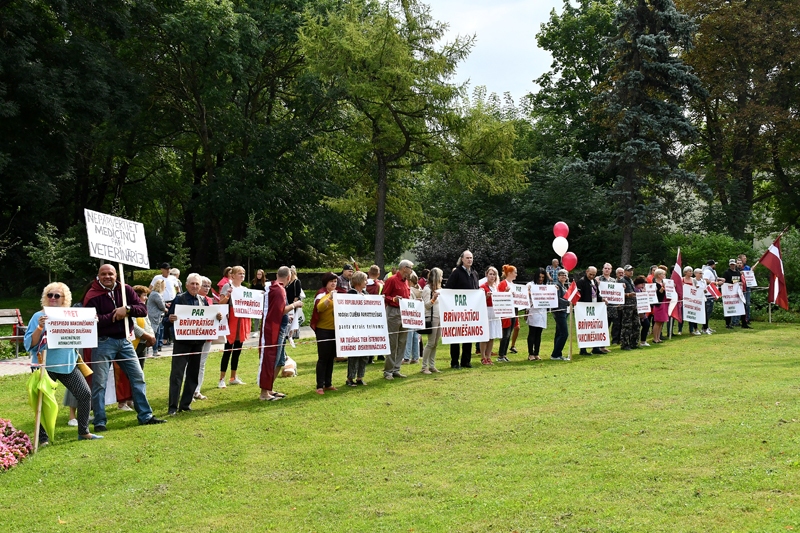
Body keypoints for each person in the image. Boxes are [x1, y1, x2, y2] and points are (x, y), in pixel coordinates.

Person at [84, 264, 166, 431]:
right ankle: (100, 421)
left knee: (138, 377)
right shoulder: (92, 295)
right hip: (103, 342)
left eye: (110, 274)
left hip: (125, 341)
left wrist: (127, 309)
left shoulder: (126, 290)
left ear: (116, 275)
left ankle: (145, 415)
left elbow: (142, 309)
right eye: (103, 274)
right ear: (98, 276)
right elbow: (91, 320)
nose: (107, 276)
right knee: (99, 383)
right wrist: (116, 315)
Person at [25, 283, 102, 442]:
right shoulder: (38, 316)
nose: (53, 298)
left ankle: (83, 432)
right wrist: (40, 327)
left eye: (57, 296)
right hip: (44, 365)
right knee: (43, 401)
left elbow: (82, 334)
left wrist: (90, 322)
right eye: (49, 295)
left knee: (84, 394)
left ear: (64, 299)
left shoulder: (72, 315)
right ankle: (43, 438)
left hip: (67, 364)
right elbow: (30, 345)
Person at [167, 273, 223, 415]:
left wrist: (217, 317)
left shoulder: (202, 300)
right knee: (177, 375)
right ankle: (173, 407)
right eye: (192, 283)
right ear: (186, 285)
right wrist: (170, 319)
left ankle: (185, 404)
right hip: (182, 343)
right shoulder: (179, 299)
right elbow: (166, 321)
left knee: (193, 374)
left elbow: (208, 319)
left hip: (198, 343)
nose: (195, 286)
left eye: (197, 284)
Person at [258, 266, 301, 401]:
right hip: (274, 330)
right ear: (289, 277)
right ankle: (264, 393)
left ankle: (269, 389)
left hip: (279, 328)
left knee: (280, 360)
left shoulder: (274, 287)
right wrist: (295, 305)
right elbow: (280, 310)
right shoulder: (279, 290)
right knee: (271, 360)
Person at [445, 250, 479, 369]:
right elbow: (448, 289)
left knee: (468, 335)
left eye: (471, 258)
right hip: (457, 310)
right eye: (467, 258)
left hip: (470, 311)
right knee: (456, 336)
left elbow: (476, 290)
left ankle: (466, 361)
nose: (470, 260)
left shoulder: (474, 273)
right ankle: (455, 362)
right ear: (462, 259)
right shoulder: (457, 273)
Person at [218, 266, 250, 388]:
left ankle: (233, 377)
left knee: (237, 351)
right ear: (233, 275)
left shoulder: (245, 289)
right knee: (227, 351)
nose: (242, 276)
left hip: (241, 322)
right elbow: (221, 303)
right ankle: (221, 379)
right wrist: (227, 295)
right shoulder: (228, 286)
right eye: (239, 273)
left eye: (243, 273)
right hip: (231, 321)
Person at [383, 259, 413, 380]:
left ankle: (396, 368)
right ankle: (388, 371)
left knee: (402, 342)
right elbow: (384, 295)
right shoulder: (392, 280)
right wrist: (393, 299)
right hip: (393, 312)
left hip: (404, 313)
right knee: (392, 342)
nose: (411, 270)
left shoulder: (406, 281)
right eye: (410, 267)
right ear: (404, 268)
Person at [311, 272, 339, 394]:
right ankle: (319, 386)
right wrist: (330, 298)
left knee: (331, 358)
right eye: (331, 281)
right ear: (326, 283)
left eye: (335, 281)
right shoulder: (321, 294)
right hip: (323, 330)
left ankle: (328, 383)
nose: (334, 283)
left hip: (335, 330)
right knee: (323, 359)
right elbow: (320, 307)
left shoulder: (338, 294)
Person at [345, 271, 370, 386]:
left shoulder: (366, 293)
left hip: (365, 328)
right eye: (365, 280)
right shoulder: (350, 294)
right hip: (354, 328)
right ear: (359, 281)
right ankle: (350, 378)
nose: (366, 282)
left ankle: (360, 377)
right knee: (354, 355)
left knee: (364, 354)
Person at [576, 266, 608, 355]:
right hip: (584, 308)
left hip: (595, 308)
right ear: (586, 272)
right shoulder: (581, 282)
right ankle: (583, 349)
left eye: (594, 275)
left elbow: (597, 294)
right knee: (585, 329)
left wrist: (602, 299)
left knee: (595, 328)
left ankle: (596, 347)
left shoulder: (594, 282)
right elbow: (578, 296)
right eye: (590, 274)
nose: (592, 276)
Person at [194, 276, 215, 400]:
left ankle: (197, 390)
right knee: (192, 363)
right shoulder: (193, 300)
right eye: (204, 285)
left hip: (207, 336)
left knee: (202, 363)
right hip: (195, 336)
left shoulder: (210, 300)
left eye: (208, 286)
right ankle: (189, 390)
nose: (207, 288)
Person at [150, 263, 177, 349]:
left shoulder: (173, 278)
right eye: (166, 269)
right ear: (162, 269)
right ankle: (162, 341)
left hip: (171, 301)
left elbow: (177, 288)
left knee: (171, 320)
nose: (168, 270)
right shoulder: (157, 278)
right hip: (161, 301)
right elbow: (150, 288)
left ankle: (171, 339)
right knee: (162, 323)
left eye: (169, 269)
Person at [420, 267, 442, 374]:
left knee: (435, 343)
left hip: (439, 318)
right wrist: (434, 299)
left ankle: (432, 365)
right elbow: (426, 305)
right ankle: (424, 367)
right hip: (431, 317)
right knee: (430, 342)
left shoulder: (438, 288)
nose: (442, 278)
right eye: (441, 276)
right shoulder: (427, 289)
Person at [479, 266, 502, 365]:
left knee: (492, 335)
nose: (492, 276)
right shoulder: (483, 287)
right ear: (486, 275)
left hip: (495, 311)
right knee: (485, 336)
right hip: (486, 311)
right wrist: (485, 297)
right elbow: (478, 301)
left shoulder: (496, 287)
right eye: (491, 274)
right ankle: (483, 356)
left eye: (494, 274)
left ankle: (489, 356)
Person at [131, 285, 156, 368]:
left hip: (143, 344)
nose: (146, 298)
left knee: (141, 370)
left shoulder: (142, 309)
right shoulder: (131, 308)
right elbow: (132, 326)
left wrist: (151, 336)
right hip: (134, 345)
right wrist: (148, 337)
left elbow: (148, 324)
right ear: (137, 296)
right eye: (144, 295)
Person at [496, 265, 517, 362]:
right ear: (509, 273)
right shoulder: (503, 284)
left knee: (509, 333)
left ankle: (504, 354)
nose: (516, 274)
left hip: (514, 310)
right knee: (506, 334)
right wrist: (505, 292)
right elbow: (499, 297)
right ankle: (501, 355)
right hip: (506, 311)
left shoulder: (514, 284)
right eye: (515, 272)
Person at [526, 268, 548, 360]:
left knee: (539, 333)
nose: (541, 279)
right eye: (539, 277)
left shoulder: (545, 286)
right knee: (532, 332)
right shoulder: (530, 285)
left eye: (543, 277)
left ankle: (536, 353)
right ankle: (530, 353)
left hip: (542, 311)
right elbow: (524, 294)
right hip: (533, 311)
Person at [723, 259, 751, 329]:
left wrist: (740, 283)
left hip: (738, 293)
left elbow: (740, 281)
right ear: (729, 265)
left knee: (742, 306)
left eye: (733, 264)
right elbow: (725, 282)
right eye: (731, 264)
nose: (732, 266)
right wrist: (734, 283)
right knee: (729, 307)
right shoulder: (726, 272)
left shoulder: (738, 272)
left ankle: (744, 323)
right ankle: (728, 324)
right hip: (730, 294)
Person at [402, 272, 423, 364]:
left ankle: (406, 357)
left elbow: (408, 302)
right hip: (417, 316)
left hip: (410, 315)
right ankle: (415, 356)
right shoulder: (419, 289)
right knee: (415, 336)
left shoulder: (410, 290)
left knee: (409, 336)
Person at [619, 265, 640, 351]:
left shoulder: (631, 280)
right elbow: (618, 294)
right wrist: (628, 295)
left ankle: (634, 342)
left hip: (634, 305)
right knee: (627, 325)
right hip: (627, 306)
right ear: (625, 271)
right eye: (629, 270)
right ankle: (625, 344)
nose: (631, 272)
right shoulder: (621, 281)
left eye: (632, 270)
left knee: (636, 324)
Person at [147, 279, 167, 356]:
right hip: (154, 317)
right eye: (164, 287)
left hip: (154, 317)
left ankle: (153, 351)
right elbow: (162, 307)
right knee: (154, 334)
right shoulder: (156, 295)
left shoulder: (154, 293)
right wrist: (167, 309)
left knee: (156, 334)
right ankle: (153, 351)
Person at [702, 260, 720, 334]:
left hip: (711, 293)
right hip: (708, 293)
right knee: (707, 311)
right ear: (712, 265)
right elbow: (705, 280)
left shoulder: (711, 271)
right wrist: (716, 283)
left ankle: (706, 326)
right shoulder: (707, 271)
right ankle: (704, 328)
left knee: (709, 311)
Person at [651, 268, 669, 343]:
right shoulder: (655, 284)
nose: (664, 275)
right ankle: (655, 338)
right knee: (657, 321)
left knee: (661, 321)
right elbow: (656, 295)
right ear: (659, 275)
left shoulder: (663, 282)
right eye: (663, 274)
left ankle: (658, 337)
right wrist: (662, 289)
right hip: (658, 304)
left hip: (664, 303)